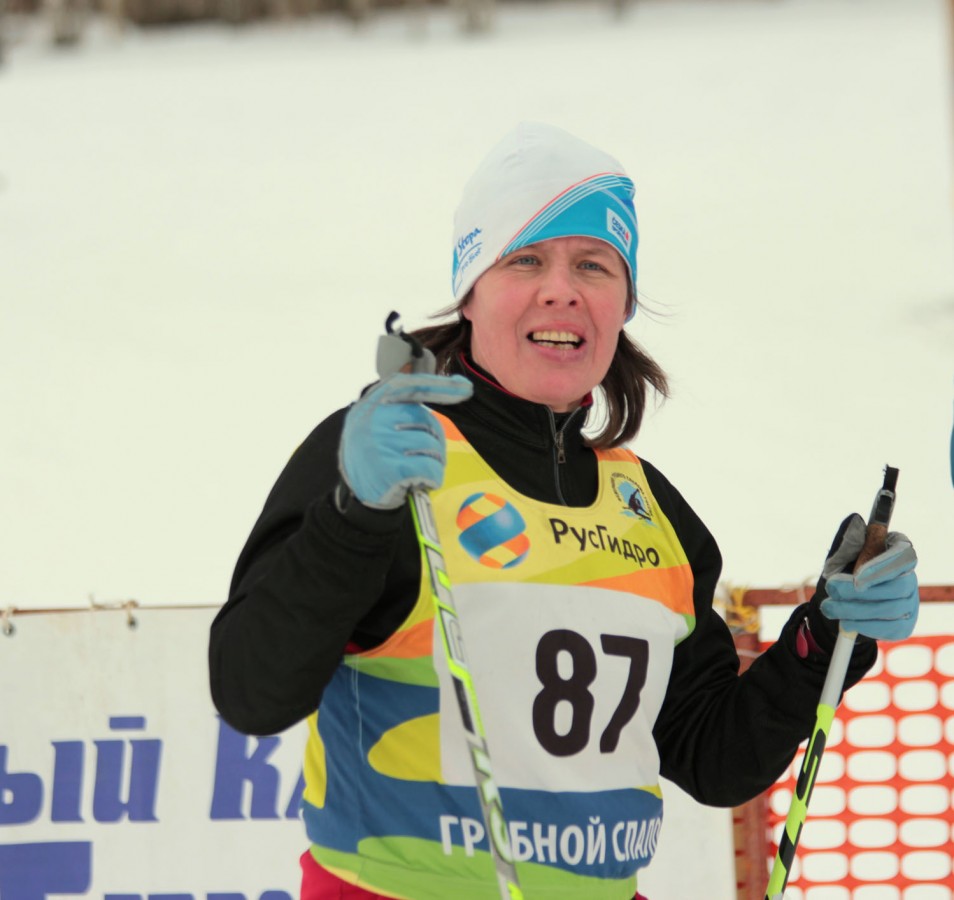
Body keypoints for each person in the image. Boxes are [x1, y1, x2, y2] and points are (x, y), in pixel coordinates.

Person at [208, 122, 920, 900]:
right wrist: (353, 515)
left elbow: (713, 758)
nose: (561, 289)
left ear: (623, 303)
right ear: (471, 291)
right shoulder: (391, 457)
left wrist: (826, 639)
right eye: (524, 260)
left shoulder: (648, 510)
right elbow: (252, 691)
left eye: (593, 265)